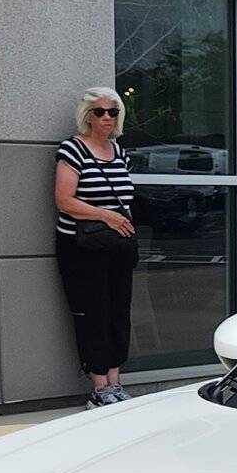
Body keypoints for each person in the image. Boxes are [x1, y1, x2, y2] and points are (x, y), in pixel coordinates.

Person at [54, 87, 136, 405]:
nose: (106, 118)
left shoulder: (119, 152)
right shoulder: (72, 150)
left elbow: (127, 199)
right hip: (82, 248)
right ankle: (99, 387)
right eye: (99, 112)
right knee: (93, 313)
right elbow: (64, 201)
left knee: (118, 312)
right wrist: (107, 217)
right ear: (87, 115)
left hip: (118, 247)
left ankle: (115, 382)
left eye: (112, 112)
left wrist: (126, 229)